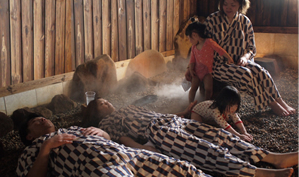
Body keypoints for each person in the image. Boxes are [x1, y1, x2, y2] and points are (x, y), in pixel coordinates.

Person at [82, 97, 297, 177]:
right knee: (203, 149)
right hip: (157, 133)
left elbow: (158, 114)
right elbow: (121, 139)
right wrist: (147, 150)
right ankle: (256, 172)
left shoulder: (127, 107)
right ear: (96, 112)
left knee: (218, 134)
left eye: (106, 100)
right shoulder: (106, 122)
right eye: (102, 103)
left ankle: (272, 157)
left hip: (170, 121)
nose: (108, 102)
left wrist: (184, 113)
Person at [16, 113, 211, 177]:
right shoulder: (32, 150)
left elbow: (108, 138)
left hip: (128, 154)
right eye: (35, 122)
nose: (41, 119)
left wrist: (103, 134)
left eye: (41, 117)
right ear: (30, 136)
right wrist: (46, 148)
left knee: (184, 169)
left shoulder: (72, 128)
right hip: (100, 167)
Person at [203, 0, 295, 116]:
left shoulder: (245, 21)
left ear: (241, 4)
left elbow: (251, 48)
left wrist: (245, 58)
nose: (228, 8)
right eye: (225, 4)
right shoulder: (212, 20)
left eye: (233, 5)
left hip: (241, 62)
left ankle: (280, 100)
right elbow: (203, 44)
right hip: (220, 65)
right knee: (247, 75)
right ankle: (272, 104)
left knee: (261, 71)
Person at [184, 21, 234, 102]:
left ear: (194, 35)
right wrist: (190, 69)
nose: (189, 41)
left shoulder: (209, 42)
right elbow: (192, 60)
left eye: (189, 38)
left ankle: (206, 104)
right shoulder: (194, 47)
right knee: (193, 88)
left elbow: (219, 50)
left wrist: (228, 58)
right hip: (196, 72)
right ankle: (190, 105)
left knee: (209, 89)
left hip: (207, 72)